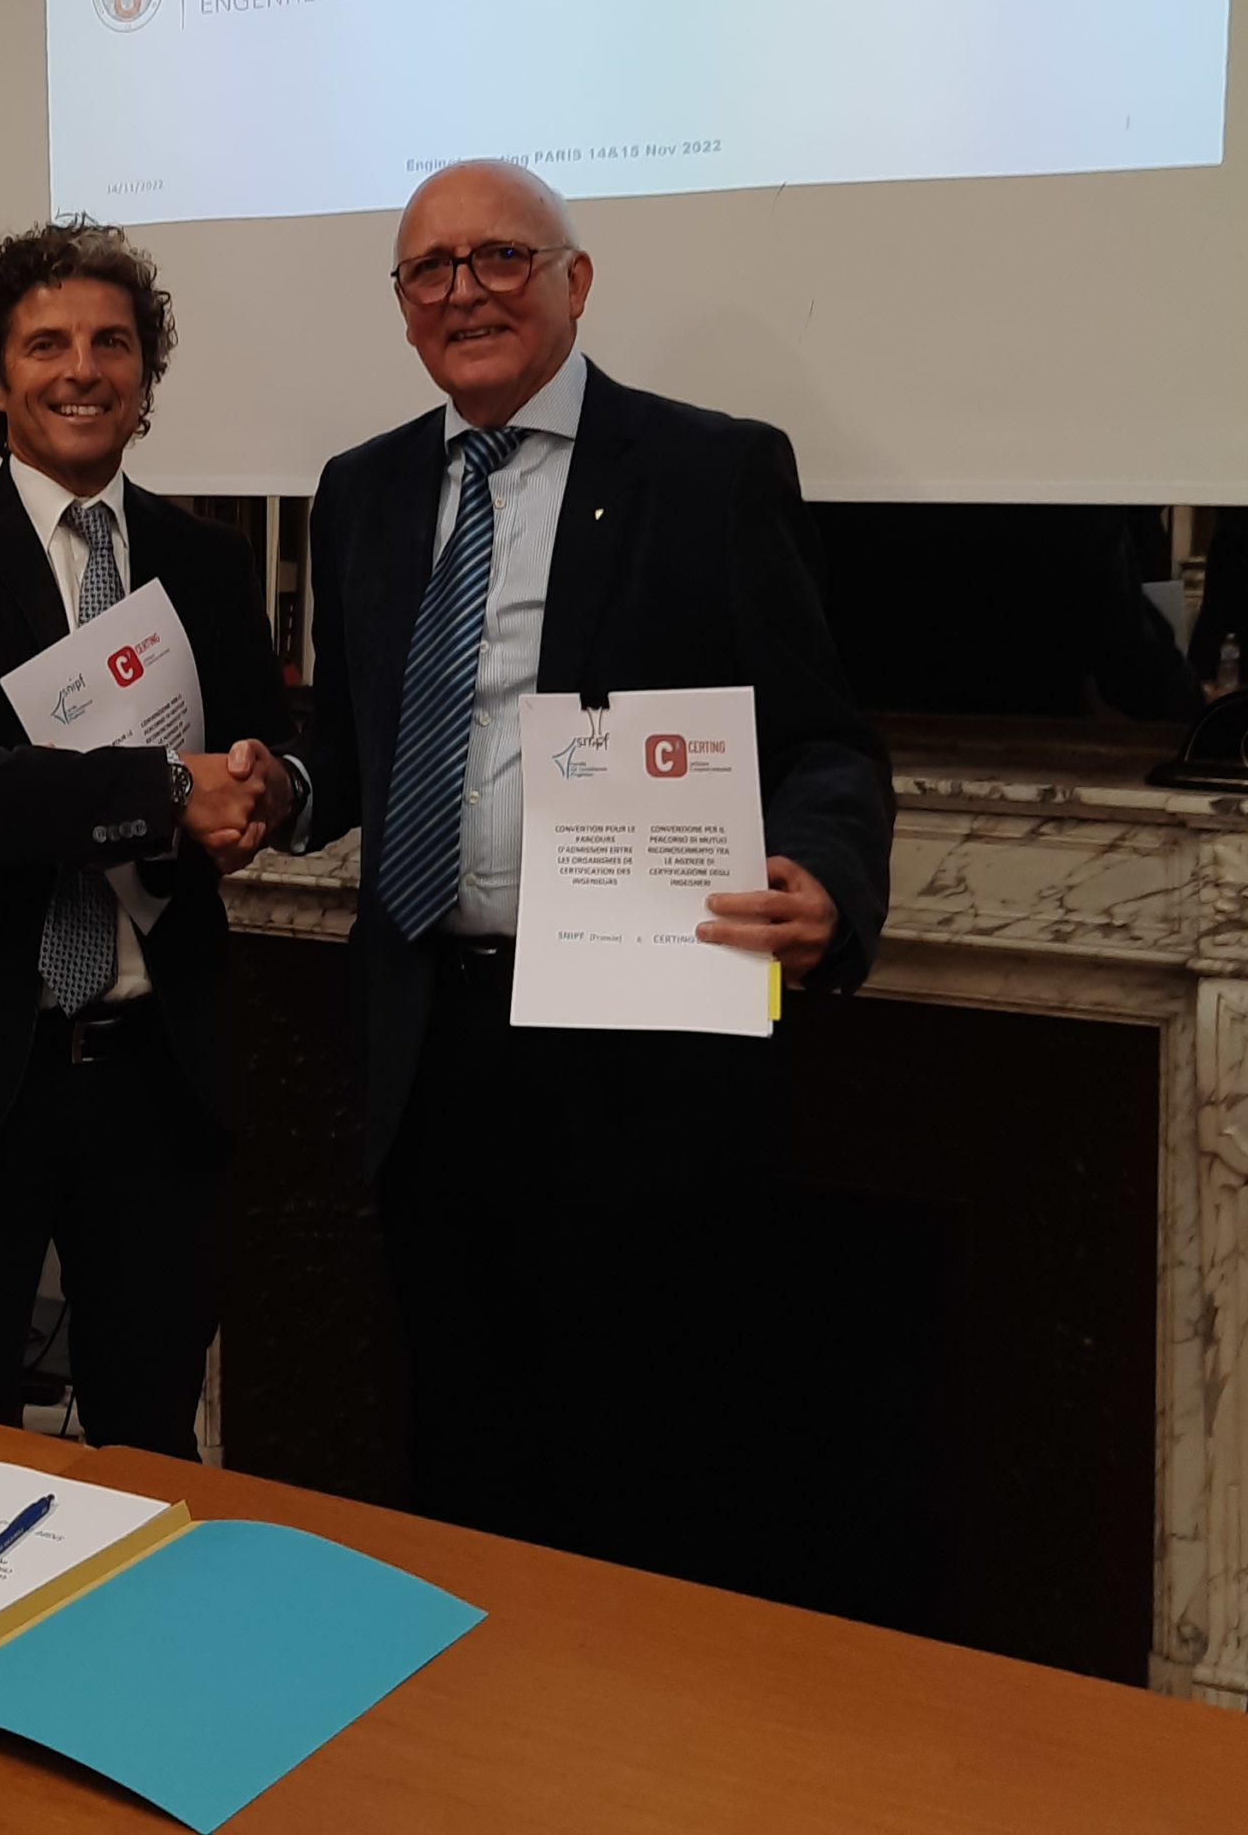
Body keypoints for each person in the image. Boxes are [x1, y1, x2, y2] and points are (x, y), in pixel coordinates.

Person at [260, 159, 893, 1582]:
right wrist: (284, 789)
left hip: (635, 1056)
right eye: (431, 269)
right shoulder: (362, 490)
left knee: (640, 1454)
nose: (465, 292)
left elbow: (824, 740)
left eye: (500, 258)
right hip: (429, 1041)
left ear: (575, 282)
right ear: (403, 307)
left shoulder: (709, 471)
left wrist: (825, 873)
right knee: (456, 1446)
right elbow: (354, 745)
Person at [0, 221, 289, 1457]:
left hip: (156, 1077)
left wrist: (263, 792)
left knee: (151, 1434)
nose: (82, 370)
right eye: (46, 345)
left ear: (145, 376)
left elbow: (262, 747)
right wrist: (161, 793)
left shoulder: (208, 565)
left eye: (112, 343)